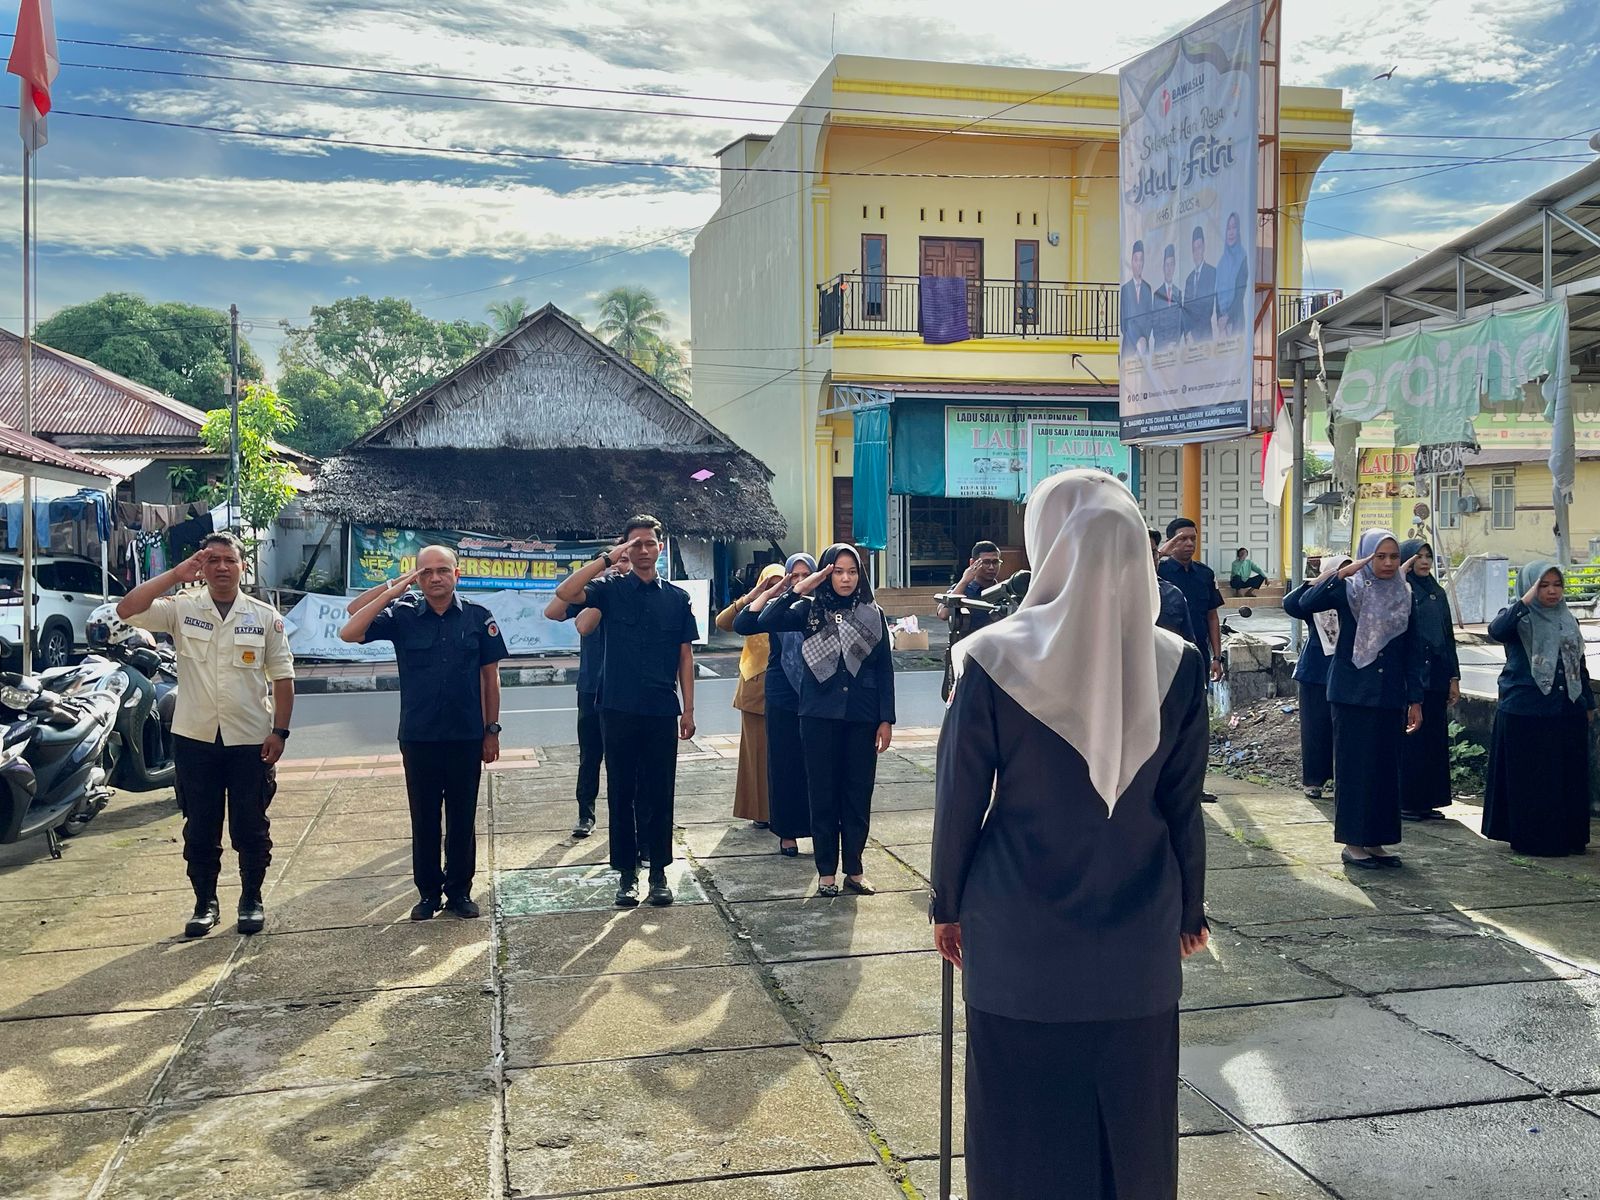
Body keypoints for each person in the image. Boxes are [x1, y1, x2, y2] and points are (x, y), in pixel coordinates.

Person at [931, 469, 1209, 1200]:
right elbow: (1184, 808)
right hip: (1139, 941)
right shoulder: (1179, 665)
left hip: (1018, 935)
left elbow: (960, 801)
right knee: (1135, 1130)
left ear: (1047, 543)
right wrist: (1190, 912)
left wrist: (946, 905)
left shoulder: (991, 657)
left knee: (1021, 1134)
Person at [117, 532, 295, 938]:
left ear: (242, 566)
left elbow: (283, 678)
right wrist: (175, 575)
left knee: (251, 826)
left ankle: (251, 898)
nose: (220, 567)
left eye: (228, 560)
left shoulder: (265, 616)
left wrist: (280, 731)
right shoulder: (182, 608)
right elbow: (128, 609)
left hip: (251, 739)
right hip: (195, 738)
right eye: (211, 559)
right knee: (200, 826)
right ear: (201, 566)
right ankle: (205, 903)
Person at [341, 546, 508, 919]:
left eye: (442, 570)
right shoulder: (402, 616)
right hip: (419, 737)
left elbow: (490, 680)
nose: (435, 578)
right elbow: (350, 629)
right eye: (426, 572)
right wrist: (392, 589)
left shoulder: (479, 618)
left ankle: (460, 892)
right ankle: (429, 893)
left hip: (466, 736)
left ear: (456, 574)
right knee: (425, 818)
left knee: (462, 819)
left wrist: (491, 730)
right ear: (416, 577)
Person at [555, 515, 698, 908]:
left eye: (650, 543)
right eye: (636, 544)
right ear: (626, 548)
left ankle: (658, 873)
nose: (644, 550)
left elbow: (685, 656)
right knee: (621, 793)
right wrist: (606, 559)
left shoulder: (676, 598)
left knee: (659, 792)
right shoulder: (610, 589)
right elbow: (565, 593)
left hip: (660, 709)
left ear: (660, 548)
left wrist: (688, 709)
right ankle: (626, 875)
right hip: (616, 708)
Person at [758, 543, 895, 896]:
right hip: (818, 715)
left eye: (852, 571)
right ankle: (826, 873)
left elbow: (883, 668)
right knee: (822, 793)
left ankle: (855, 869)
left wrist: (886, 718)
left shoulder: (872, 613)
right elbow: (765, 620)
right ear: (826, 573)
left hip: (862, 717)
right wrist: (802, 587)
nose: (846, 578)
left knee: (857, 793)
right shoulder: (808, 611)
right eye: (837, 571)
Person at [1300, 530, 1424, 869]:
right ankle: (1353, 844)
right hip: (1352, 695)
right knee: (1356, 771)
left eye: (1393, 557)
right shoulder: (1348, 591)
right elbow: (1301, 605)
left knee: (1385, 772)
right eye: (1379, 556)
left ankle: (1377, 841)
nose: (1386, 563)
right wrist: (1341, 573)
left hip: (1389, 697)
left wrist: (1415, 699)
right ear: (1366, 556)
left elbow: (1412, 651)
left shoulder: (1405, 593)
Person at [1482, 561, 1595, 857]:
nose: (1552, 591)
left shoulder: (1568, 619)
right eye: (1543, 585)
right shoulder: (1519, 617)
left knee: (1566, 777)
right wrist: (1525, 600)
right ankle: (1536, 839)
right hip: (1527, 710)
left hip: (1566, 708)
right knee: (1535, 780)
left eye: (1557, 585)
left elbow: (1577, 662)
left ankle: (1569, 836)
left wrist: (1587, 702)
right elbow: (1497, 631)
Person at [543, 540, 630, 839]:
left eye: (625, 562)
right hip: (592, 687)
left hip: (626, 691)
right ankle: (585, 814)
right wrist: (599, 584)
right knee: (590, 756)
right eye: (613, 562)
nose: (620, 567)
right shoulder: (593, 596)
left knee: (627, 759)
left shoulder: (637, 595)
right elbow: (557, 613)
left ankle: (629, 817)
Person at [736, 553, 816, 856]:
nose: (799, 582)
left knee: (816, 766)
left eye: (805, 575)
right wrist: (772, 592)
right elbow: (744, 622)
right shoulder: (778, 609)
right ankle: (787, 834)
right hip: (782, 695)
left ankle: (817, 828)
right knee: (783, 764)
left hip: (816, 695)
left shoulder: (822, 605)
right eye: (793, 576)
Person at [715, 563, 787, 829]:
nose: (778, 588)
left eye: (783, 582)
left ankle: (788, 809)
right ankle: (761, 812)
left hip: (791, 690)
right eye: (771, 583)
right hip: (755, 689)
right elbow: (723, 623)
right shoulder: (753, 609)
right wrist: (754, 595)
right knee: (756, 756)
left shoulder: (795, 607)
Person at [1398, 539, 1461, 821]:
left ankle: (1428, 801)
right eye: (1417, 557)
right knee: (1413, 740)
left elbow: (1448, 637)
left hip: (1436, 675)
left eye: (1427, 556)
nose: (1424, 562)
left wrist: (1454, 677)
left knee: (1434, 741)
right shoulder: (1402, 590)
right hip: (1413, 677)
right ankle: (1408, 802)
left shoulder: (1436, 591)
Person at [1282, 555, 1349, 799]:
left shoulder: (1352, 597)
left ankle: (1342, 778)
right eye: (1341, 571)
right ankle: (1314, 780)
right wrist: (1318, 582)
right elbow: (1291, 604)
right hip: (1315, 672)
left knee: (1343, 729)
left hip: (1345, 672)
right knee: (1315, 728)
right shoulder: (1316, 601)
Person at [1157, 518, 1224, 683]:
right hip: (1167, 653)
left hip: (1198, 652)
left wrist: (1217, 657)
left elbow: (1212, 616)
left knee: (1199, 701)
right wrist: (1160, 554)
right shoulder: (1158, 573)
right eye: (1182, 539)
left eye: (1193, 539)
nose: (1189, 544)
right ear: (1170, 542)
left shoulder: (1205, 574)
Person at [935, 541, 1005, 634]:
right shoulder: (962, 589)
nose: (991, 567)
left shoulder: (1003, 591)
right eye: (986, 562)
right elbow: (943, 614)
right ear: (973, 563)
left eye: (995, 562)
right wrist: (964, 581)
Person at [1149, 529, 1194, 644]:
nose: (1148, 560)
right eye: (1141, 553)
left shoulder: (1173, 594)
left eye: (1152, 553)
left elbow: (1188, 645)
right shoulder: (1108, 596)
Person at [1182, 225, 1217, 344]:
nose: (1197, 252)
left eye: (1199, 247)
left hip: (1204, 337)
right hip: (1190, 340)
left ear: (1204, 247)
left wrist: (1194, 334)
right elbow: (1185, 310)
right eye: (1194, 249)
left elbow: (1208, 309)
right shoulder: (1189, 279)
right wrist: (1187, 333)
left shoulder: (1212, 273)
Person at [1216, 212, 1249, 336]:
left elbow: (1240, 294)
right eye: (1228, 228)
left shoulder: (1242, 258)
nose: (1231, 232)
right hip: (1222, 328)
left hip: (1236, 323)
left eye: (1234, 227)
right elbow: (1216, 295)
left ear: (1238, 230)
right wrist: (1220, 318)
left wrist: (1227, 317)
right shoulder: (1221, 263)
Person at [1119, 240, 1153, 357]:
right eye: (1136, 259)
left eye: (1141, 259)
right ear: (1132, 262)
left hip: (1144, 347)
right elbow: (1124, 323)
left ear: (1143, 262)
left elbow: (1150, 318)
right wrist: (1137, 340)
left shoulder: (1148, 289)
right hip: (1129, 347)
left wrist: (1144, 338)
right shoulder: (1125, 289)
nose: (1138, 263)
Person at [1151, 243, 1183, 350]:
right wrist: (1165, 345)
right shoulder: (1157, 295)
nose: (1169, 269)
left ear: (1174, 267)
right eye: (1167, 265)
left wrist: (1175, 343)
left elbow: (1180, 323)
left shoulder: (1178, 293)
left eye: (1171, 264)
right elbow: (1155, 326)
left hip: (1175, 348)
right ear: (1163, 267)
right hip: (1161, 349)